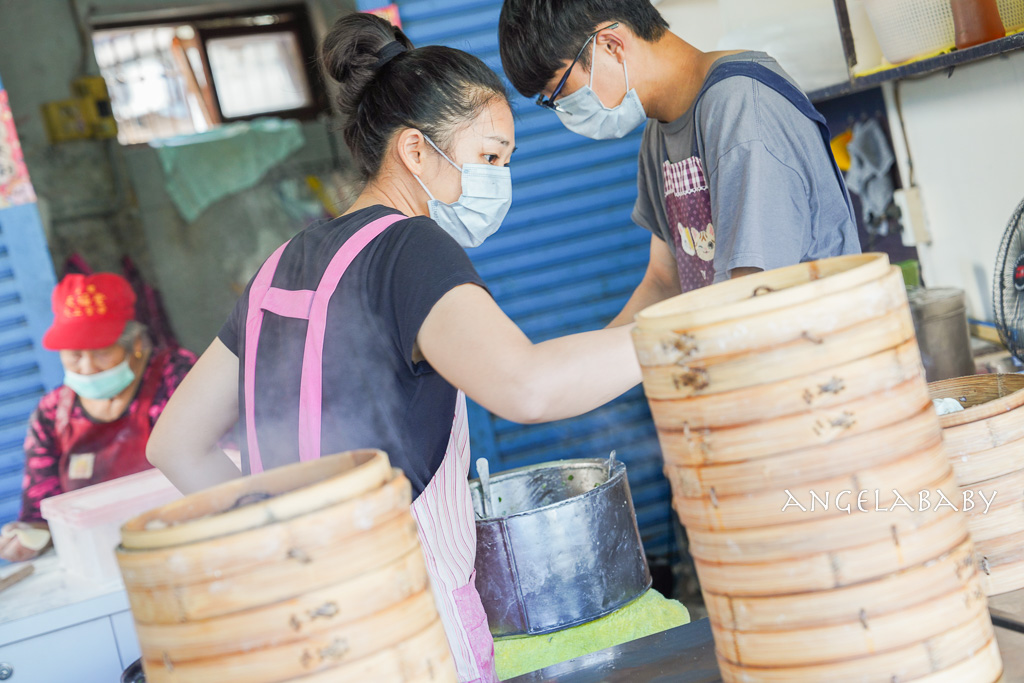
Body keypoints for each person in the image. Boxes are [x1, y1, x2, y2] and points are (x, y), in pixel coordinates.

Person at [146, 12, 641, 683]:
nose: (501, 180)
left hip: (302, 633)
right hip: (407, 629)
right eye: (490, 156)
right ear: (414, 151)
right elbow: (527, 385)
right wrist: (670, 337)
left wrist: (283, 542)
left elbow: (174, 443)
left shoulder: (283, 264)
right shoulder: (409, 248)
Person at [498, 0, 861, 326]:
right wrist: (582, 367)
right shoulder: (660, 132)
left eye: (560, 93)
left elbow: (752, 292)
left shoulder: (742, 110)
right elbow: (664, 280)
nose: (564, 112)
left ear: (612, 46)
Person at [0, 273, 195, 563]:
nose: (87, 366)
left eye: (101, 351)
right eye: (74, 354)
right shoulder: (53, 414)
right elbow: (41, 512)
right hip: (100, 563)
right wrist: (27, 536)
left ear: (136, 344)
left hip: (184, 544)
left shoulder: (177, 378)